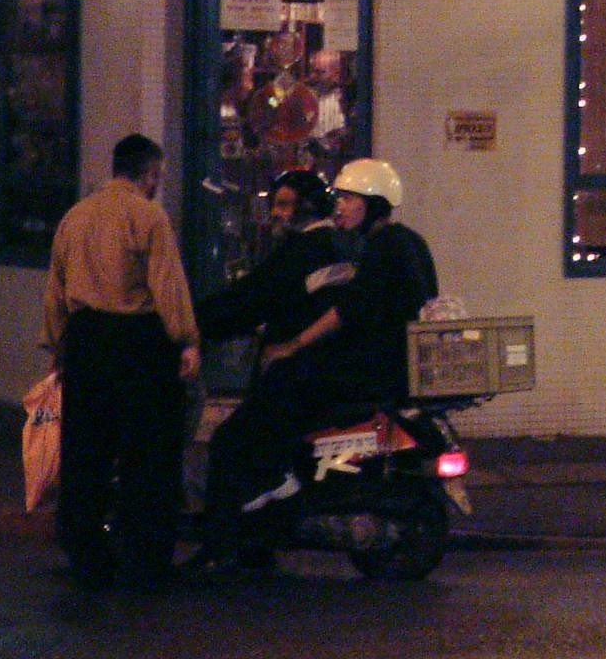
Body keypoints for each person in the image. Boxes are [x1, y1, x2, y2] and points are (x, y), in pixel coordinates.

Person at [187, 158, 437, 576]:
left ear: (375, 205)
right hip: (378, 371)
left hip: (357, 373)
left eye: (351, 199)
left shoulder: (375, 248)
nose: (341, 205)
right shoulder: (402, 242)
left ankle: (227, 540)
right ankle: (261, 532)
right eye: (340, 197)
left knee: (232, 439)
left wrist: (292, 344)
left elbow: (345, 309)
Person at [42, 133, 200, 589]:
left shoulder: (75, 217)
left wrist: (56, 345)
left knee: (85, 450)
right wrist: (186, 340)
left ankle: (84, 550)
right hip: (137, 340)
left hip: (86, 339)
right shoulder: (148, 217)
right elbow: (167, 285)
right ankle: (143, 557)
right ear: (149, 174)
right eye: (158, 176)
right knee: (147, 452)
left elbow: (55, 287)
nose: (157, 184)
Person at [195, 169, 350, 359]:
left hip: (298, 363)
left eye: (283, 205)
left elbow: (253, 296)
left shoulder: (302, 249)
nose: (274, 212)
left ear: (308, 206)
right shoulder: (334, 244)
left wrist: (194, 324)